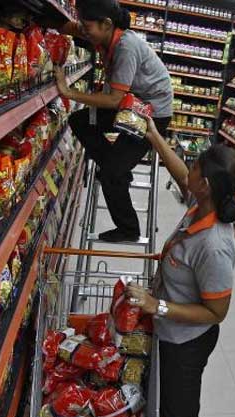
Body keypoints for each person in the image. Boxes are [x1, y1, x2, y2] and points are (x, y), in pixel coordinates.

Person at [124, 117, 235, 417]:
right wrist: (154, 135)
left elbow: (216, 312)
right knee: (164, 402)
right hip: (169, 330)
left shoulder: (214, 245)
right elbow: (179, 174)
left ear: (204, 184)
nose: (187, 168)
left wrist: (157, 306)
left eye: (194, 166)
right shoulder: (200, 205)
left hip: (186, 343)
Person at [56, 0, 173, 243]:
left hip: (149, 115)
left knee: (109, 175)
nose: (84, 30)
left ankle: (128, 228)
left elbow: (113, 100)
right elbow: (71, 27)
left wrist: (69, 93)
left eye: (87, 26)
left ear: (107, 24)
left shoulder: (126, 47)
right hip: (130, 106)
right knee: (80, 120)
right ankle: (118, 169)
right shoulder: (103, 33)